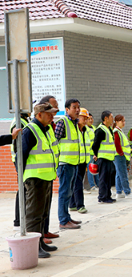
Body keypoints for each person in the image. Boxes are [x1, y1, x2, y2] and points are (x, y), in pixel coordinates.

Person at [21, 103, 59, 258]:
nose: (52, 116)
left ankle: (40, 241)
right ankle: (33, 247)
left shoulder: (46, 129)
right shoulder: (30, 131)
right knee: (34, 214)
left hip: (46, 176)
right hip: (35, 178)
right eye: (48, 114)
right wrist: (22, 178)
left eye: (53, 113)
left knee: (43, 214)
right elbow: (21, 156)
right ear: (39, 115)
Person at [55, 99, 83, 230]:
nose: (77, 110)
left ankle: (67, 217)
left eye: (78, 107)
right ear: (67, 109)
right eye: (74, 107)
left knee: (69, 192)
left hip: (73, 162)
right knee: (64, 192)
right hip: (65, 163)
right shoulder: (62, 123)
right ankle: (63, 221)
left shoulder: (74, 124)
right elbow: (54, 142)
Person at [38, 95, 60, 241]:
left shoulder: (50, 126)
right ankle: (38, 237)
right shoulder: (34, 128)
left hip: (49, 172)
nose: (54, 112)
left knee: (46, 207)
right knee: (37, 210)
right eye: (52, 108)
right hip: (37, 174)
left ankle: (45, 231)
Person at [69, 108, 92, 214]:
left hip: (83, 160)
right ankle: (80, 205)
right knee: (78, 183)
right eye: (84, 117)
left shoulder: (86, 130)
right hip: (76, 160)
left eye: (86, 118)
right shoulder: (75, 130)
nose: (86, 119)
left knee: (76, 182)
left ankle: (73, 204)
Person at [10, 112, 29, 232]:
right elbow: (17, 143)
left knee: (24, 189)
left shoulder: (24, 120)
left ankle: (20, 219)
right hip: (20, 160)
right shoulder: (19, 121)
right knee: (22, 190)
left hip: (21, 160)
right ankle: (18, 221)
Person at [92, 111, 116, 203]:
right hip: (103, 158)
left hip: (109, 158)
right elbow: (95, 145)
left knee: (108, 178)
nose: (112, 119)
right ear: (106, 118)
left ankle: (108, 196)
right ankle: (102, 197)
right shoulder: (100, 130)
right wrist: (96, 155)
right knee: (103, 178)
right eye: (111, 117)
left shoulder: (109, 129)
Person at [113, 115, 132, 199]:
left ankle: (119, 192)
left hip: (121, 155)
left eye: (124, 121)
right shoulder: (116, 131)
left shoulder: (120, 131)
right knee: (123, 174)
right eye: (121, 121)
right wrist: (120, 153)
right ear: (116, 122)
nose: (124, 123)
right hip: (119, 156)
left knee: (119, 174)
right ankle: (127, 192)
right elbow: (117, 143)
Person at [86, 113, 99, 191]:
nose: (90, 120)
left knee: (96, 169)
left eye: (91, 118)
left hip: (95, 153)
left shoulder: (94, 128)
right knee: (90, 169)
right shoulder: (85, 129)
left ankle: (98, 184)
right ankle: (92, 186)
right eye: (89, 119)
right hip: (89, 153)